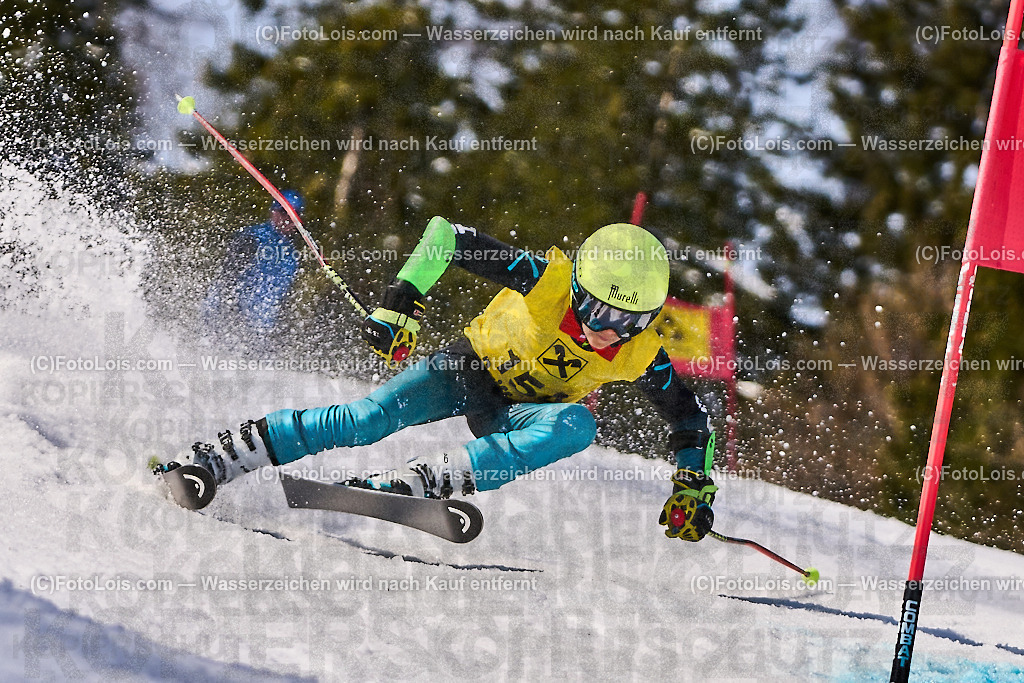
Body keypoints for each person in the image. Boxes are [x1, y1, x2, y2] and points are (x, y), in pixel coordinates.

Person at [187, 217, 719, 542]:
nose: (612, 334)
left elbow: (691, 421)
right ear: (578, 289)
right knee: (365, 420)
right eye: (602, 314)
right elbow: (448, 236)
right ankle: (219, 457)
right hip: (465, 370)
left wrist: (692, 485)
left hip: (512, 414)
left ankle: (418, 483)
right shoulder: (544, 280)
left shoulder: (641, 355)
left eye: (633, 321)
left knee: (577, 424)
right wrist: (402, 301)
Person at [201, 190, 306, 337]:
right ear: (273, 212)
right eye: (284, 212)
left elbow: (281, 299)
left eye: (295, 214)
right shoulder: (252, 238)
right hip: (226, 322)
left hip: (261, 333)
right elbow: (227, 280)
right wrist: (231, 315)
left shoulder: (292, 255)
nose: (289, 219)